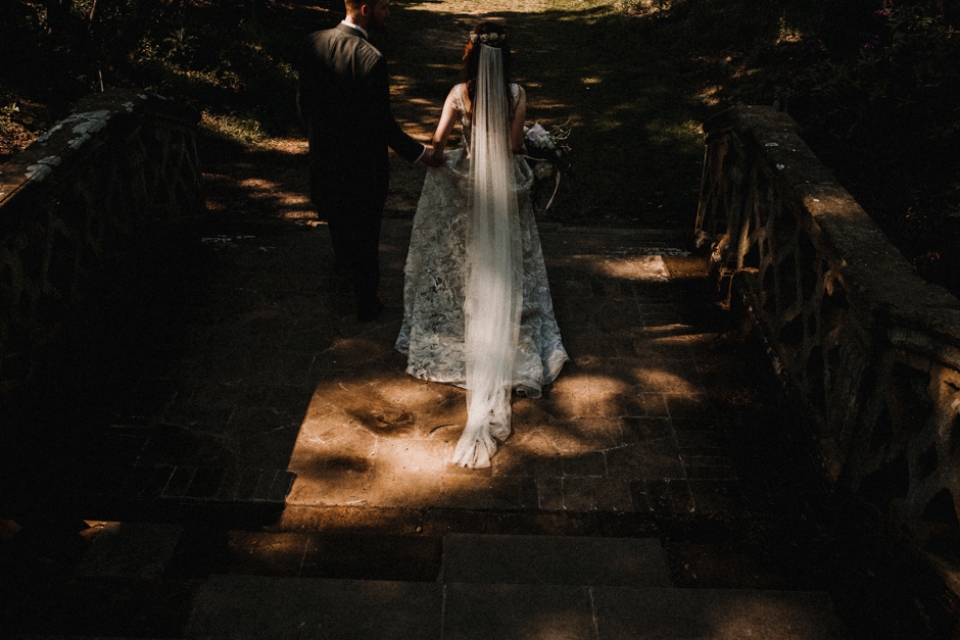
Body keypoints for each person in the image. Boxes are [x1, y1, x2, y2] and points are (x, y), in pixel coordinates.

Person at [395, 20, 568, 469]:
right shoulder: (516, 94)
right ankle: (507, 319)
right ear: (505, 58)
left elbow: (438, 145)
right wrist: (534, 142)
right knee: (509, 255)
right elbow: (512, 145)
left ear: (470, 55)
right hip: (502, 188)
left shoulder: (458, 93)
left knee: (467, 255)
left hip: (469, 184)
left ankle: (462, 322)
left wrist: (439, 156)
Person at [297, 0, 437, 322]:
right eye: (384, 7)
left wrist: (319, 141)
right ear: (365, 9)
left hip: (324, 157)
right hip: (362, 165)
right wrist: (420, 153)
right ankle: (366, 302)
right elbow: (381, 123)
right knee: (366, 232)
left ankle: (344, 275)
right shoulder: (371, 58)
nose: (388, 14)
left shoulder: (313, 43)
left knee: (336, 220)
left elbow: (304, 105)